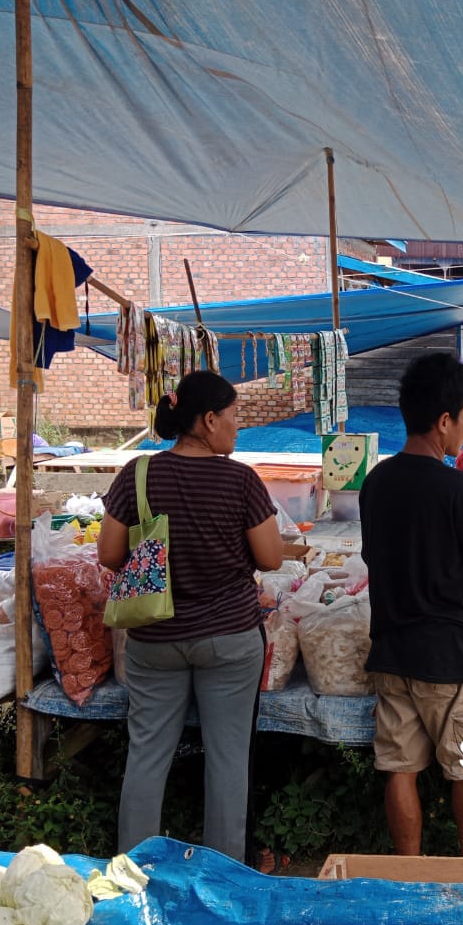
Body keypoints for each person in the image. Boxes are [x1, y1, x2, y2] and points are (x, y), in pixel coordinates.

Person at [98, 370, 284, 864]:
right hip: (229, 640)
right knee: (226, 761)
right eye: (234, 417)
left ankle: (133, 871)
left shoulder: (137, 473)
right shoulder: (240, 479)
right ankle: (222, 876)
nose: (237, 428)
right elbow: (270, 559)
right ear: (207, 421)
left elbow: (110, 554)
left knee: (147, 756)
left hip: (154, 637)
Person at [360, 352, 463, 857]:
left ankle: (409, 873)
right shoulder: (456, 488)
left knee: (399, 768)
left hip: (392, 651)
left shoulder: (376, 483)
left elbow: (374, 555)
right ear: (443, 420)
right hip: (450, 655)